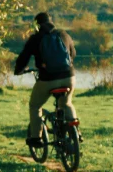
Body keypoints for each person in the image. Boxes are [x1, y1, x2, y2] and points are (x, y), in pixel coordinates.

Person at [13, 12, 77, 147]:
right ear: (51, 21)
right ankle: (75, 133)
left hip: (48, 79)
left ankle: (36, 138)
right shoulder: (63, 34)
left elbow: (24, 57)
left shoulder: (35, 38)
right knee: (66, 103)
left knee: (35, 106)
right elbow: (73, 54)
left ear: (37, 25)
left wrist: (18, 71)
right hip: (68, 77)